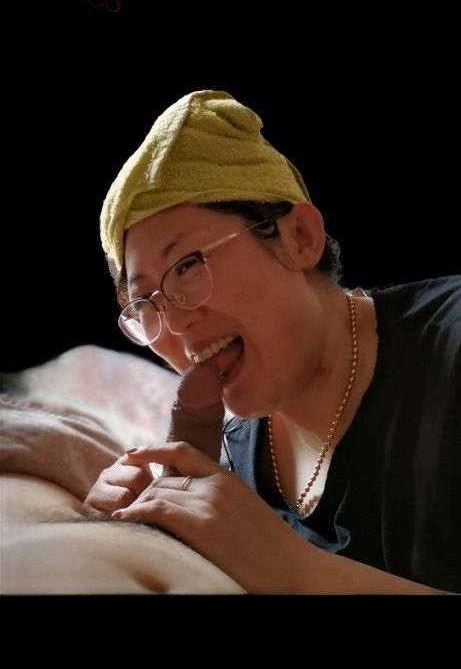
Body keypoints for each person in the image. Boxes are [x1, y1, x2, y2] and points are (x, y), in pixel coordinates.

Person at [85, 89, 460, 594]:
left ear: (299, 237)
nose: (173, 325)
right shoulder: (233, 456)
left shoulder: (449, 350)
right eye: (146, 303)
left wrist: (292, 568)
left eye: (188, 266)